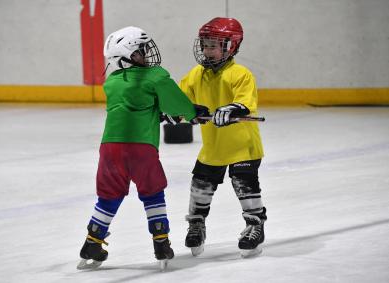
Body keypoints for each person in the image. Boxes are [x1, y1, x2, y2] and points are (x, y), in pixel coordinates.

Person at [77, 26, 208, 270]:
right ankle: (161, 243)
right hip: (141, 149)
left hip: (110, 149)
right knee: (152, 193)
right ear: (127, 55)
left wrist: (159, 114)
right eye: (141, 50)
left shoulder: (112, 82)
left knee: (109, 195)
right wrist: (192, 112)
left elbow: (136, 106)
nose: (147, 54)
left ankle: (92, 242)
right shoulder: (155, 76)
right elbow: (175, 103)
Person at [179, 17, 267, 258]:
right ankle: (196, 224)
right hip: (213, 147)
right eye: (205, 45)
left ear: (231, 46)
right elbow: (181, 98)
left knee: (244, 185)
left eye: (213, 45)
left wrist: (231, 109)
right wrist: (180, 111)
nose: (207, 51)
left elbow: (245, 101)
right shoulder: (197, 74)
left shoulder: (240, 74)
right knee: (200, 186)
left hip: (243, 146)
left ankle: (254, 225)